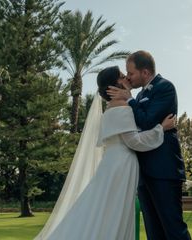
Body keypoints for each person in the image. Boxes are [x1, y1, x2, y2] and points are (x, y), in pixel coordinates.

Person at [34, 66, 176, 240]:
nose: (128, 78)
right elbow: (133, 141)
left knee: (106, 209)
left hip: (114, 163)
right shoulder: (121, 106)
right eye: (123, 76)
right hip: (121, 164)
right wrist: (161, 128)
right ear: (114, 86)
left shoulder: (112, 106)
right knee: (115, 212)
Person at [107, 51, 192, 240]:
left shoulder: (164, 88)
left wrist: (129, 99)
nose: (128, 77)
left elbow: (146, 122)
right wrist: (131, 99)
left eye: (130, 73)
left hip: (164, 170)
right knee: (154, 232)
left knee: (173, 229)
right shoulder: (138, 97)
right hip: (144, 174)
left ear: (145, 72)